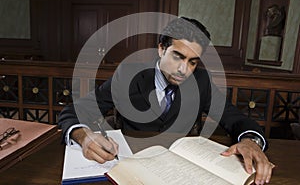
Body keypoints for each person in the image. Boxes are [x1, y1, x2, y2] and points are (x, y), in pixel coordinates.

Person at [58, 17, 274, 185]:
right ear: (161, 48)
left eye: (192, 62)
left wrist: (250, 142)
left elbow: (235, 119)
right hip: (133, 168)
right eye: (178, 56)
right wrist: (84, 136)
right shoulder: (128, 75)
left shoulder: (201, 82)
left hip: (182, 173)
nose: (184, 70)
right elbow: (73, 111)